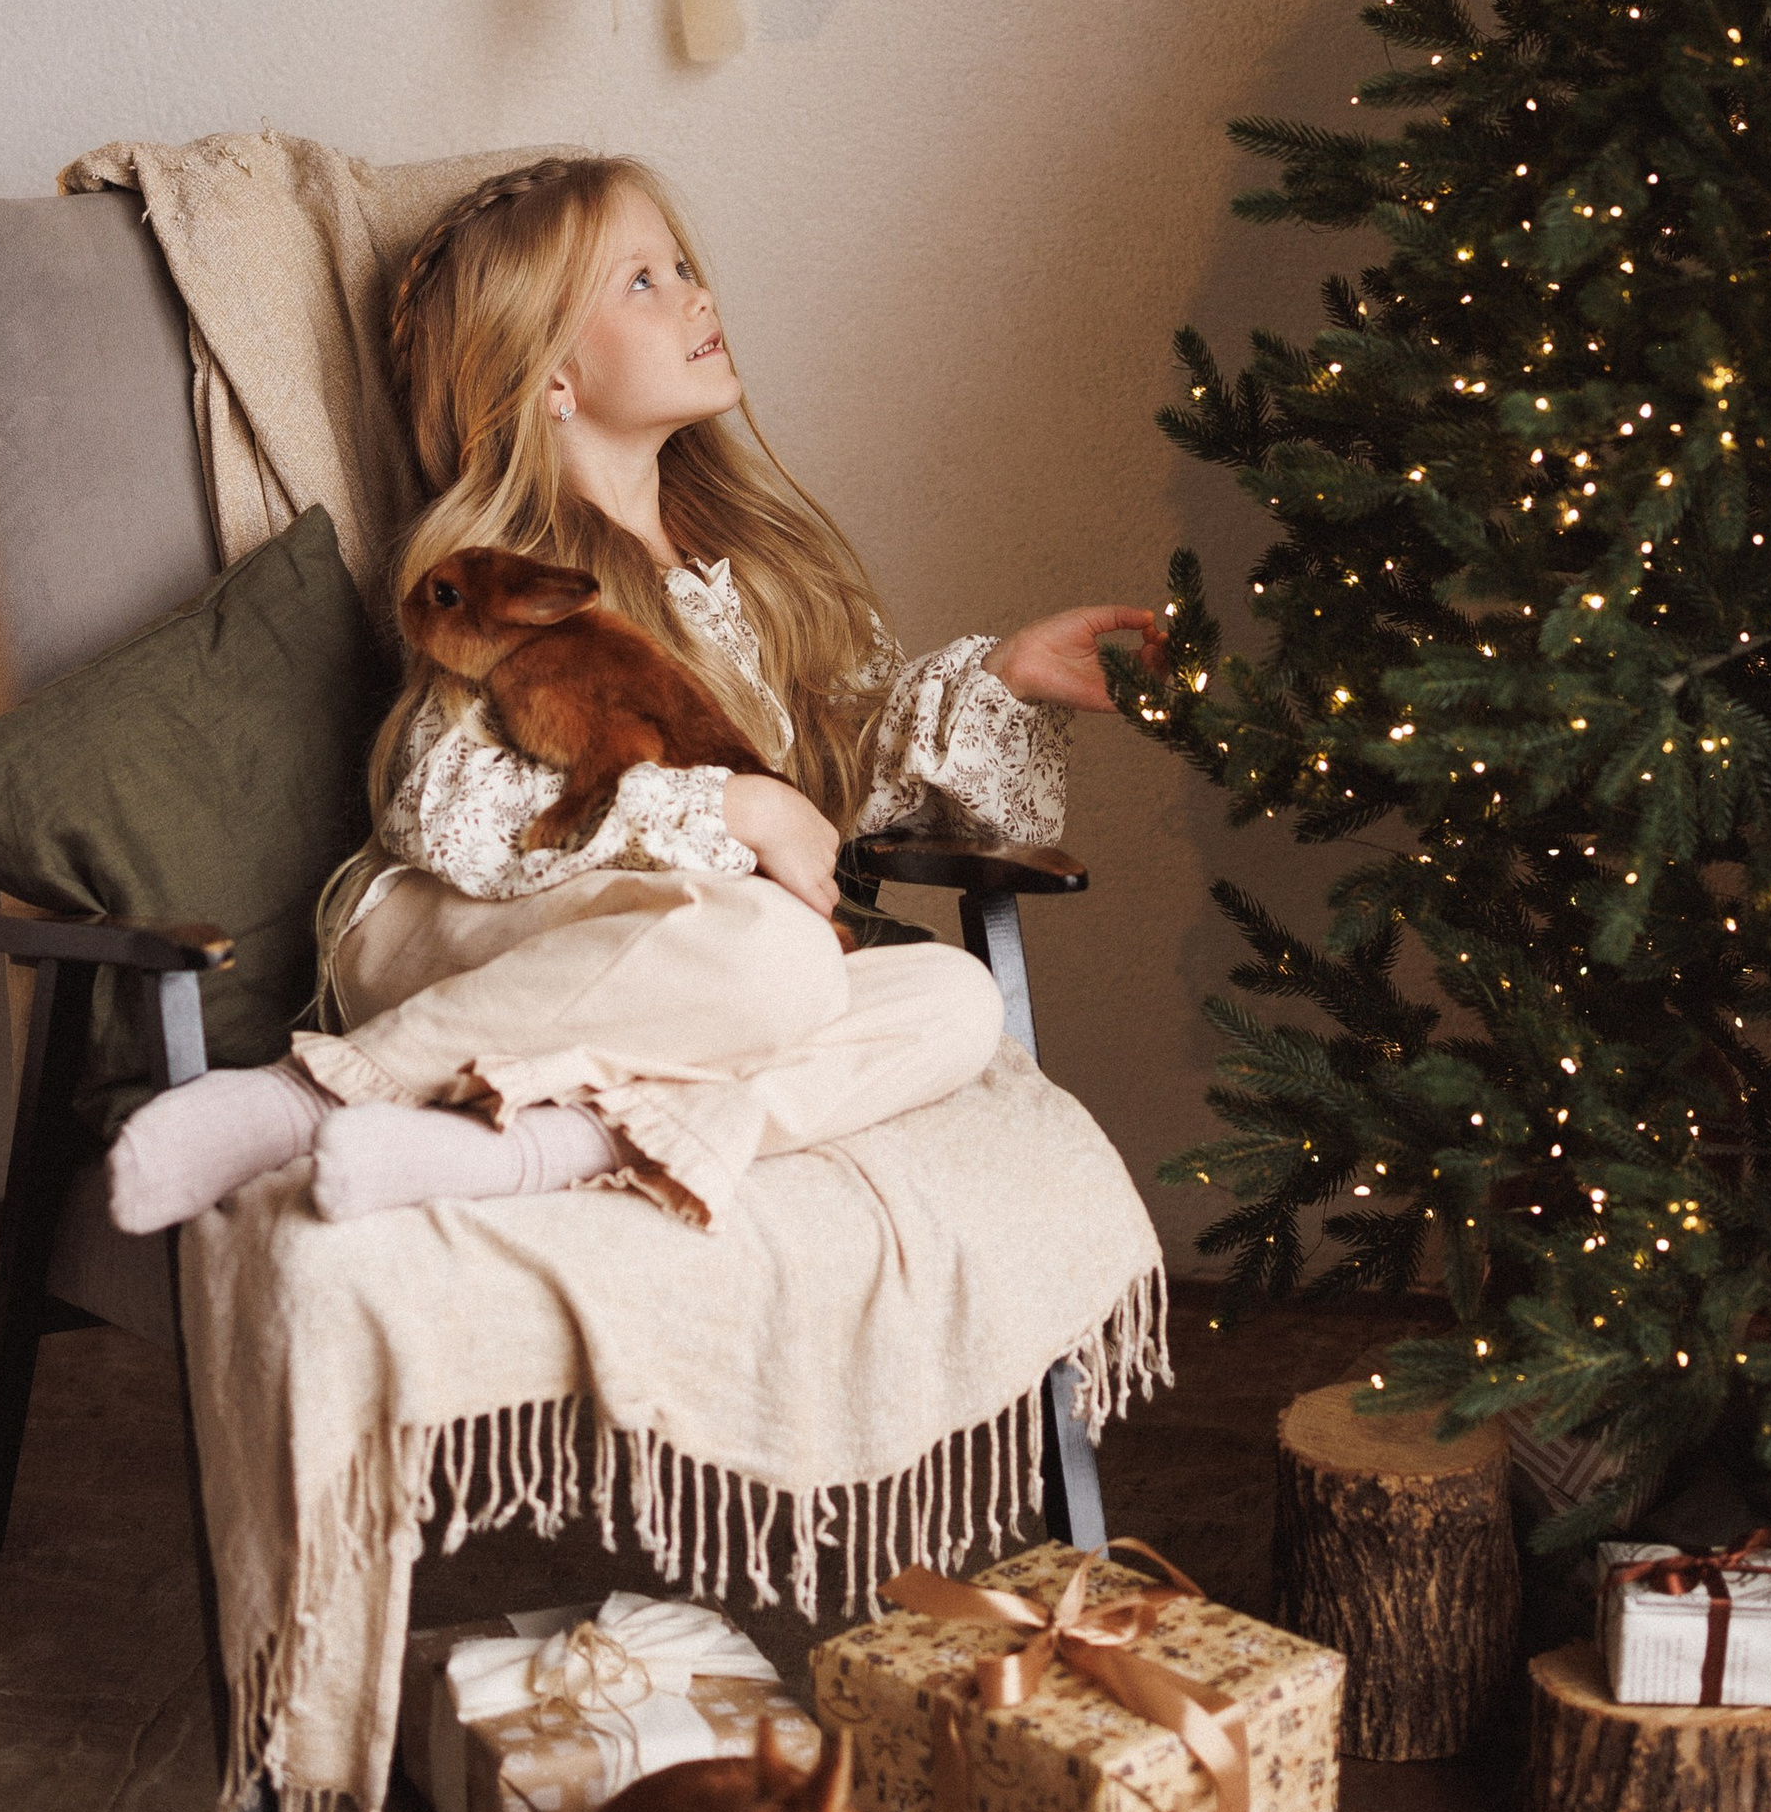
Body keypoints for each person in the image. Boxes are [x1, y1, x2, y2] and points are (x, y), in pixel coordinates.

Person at [109, 155, 1158, 1236]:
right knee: (775, 953)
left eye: (684, 265)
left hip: (678, 964)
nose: (697, 293)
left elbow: (832, 770)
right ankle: (301, 1096)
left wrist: (1000, 677)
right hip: (471, 936)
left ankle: (540, 1146)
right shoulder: (506, 570)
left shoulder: (746, 574)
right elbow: (451, 812)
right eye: (642, 282)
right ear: (549, 376)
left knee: (954, 1003)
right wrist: (725, 811)